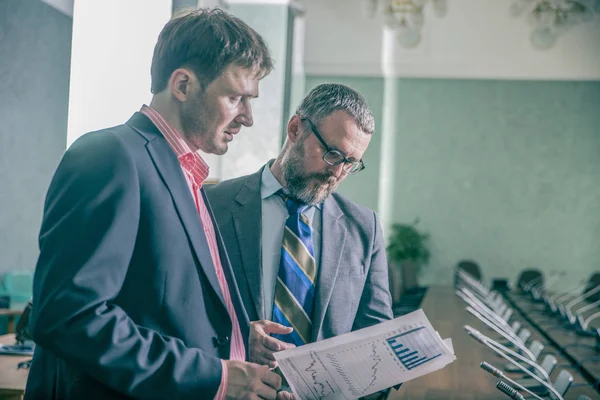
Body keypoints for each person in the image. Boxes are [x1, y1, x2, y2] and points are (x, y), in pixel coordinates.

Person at [25, 8, 284, 400]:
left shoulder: (190, 176)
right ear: (182, 84)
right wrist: (218, 377)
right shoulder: (109, 156)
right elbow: (70, 317)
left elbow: (154, 300)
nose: (247, 118)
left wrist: (232, 336)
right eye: (236, 98)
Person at [206, 83, 394, 399]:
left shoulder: (364, 228)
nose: (337, 172)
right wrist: (236, 340)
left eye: (350, 163)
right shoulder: (212, 205)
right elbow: (179, 314)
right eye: (332, 154)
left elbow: (374, 340)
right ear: (295, 129)